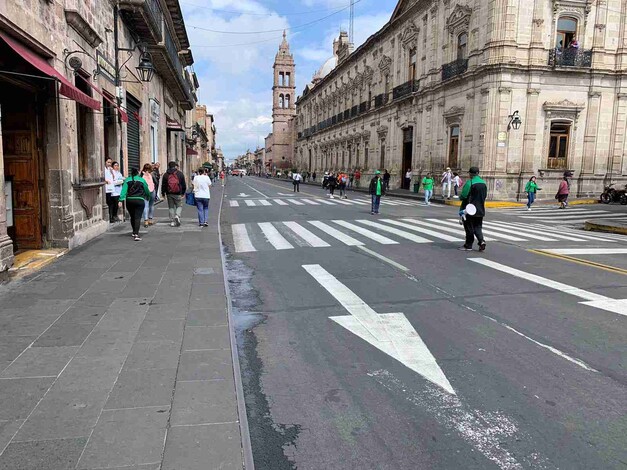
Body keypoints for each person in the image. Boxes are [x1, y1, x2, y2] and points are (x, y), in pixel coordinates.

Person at [459, 167, 487, 252]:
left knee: (469, 227)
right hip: (480, 209)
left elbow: (463, 196)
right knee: (478, 227)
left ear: (470, 174)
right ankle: (481, 241)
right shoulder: (483, 183)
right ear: (478, 173)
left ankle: (468, 245)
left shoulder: (469, 183)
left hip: (469, 209)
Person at [119, 168, 150, 241]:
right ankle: (136, 234)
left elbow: (123, 190)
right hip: (140, 200)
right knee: (138, 217)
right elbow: (146, 190)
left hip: (130, 200)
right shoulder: (142, 180)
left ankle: (134, 231)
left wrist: (120, 199)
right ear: (138, 173)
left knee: (132, 216)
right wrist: (148, 197)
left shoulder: (127, 180)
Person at [161, 161, 187, 227]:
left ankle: (172, 221)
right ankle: (177, 215)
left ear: (168, 166)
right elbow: (183, 184)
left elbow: (163, 185)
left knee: (171, 207)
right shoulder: (180, 174)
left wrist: (163, 193)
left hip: (169, 193)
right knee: (179, 206)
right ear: (175, 166)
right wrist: (183, 192)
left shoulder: (166, 174)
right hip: (178, 193)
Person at [141, 163, 155, 227]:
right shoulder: (151, 174)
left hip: (145, 191)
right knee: (151, 205)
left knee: (145, 206)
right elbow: (155, 182)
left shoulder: (141, 175)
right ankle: (150, 219)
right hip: (152, 191)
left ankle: (146, 220)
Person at [104, 158, 118, 223]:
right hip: (106, 188)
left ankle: (111, 217)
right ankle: (110, 218)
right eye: (108, 162)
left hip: (111, 188)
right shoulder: (103, 169)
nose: (109, 164)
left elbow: (113, 177)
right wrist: (106, 181)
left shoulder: (110, 169)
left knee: (112, 203)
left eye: (110, 163)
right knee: (109, 203)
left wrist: (112, 172)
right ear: (105, 162)